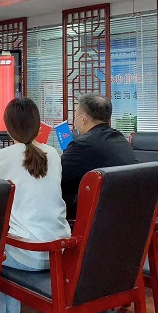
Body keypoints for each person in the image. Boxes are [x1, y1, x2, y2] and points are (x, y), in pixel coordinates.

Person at [0, 97, 70, 313]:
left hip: (29, 254)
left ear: (8, 128)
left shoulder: (4, 157)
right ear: (38, 127)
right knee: (6, 243)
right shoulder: (53, 154)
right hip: (59, 250)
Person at [61, 92, 138, 220]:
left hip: (97, 215)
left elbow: (55, 177)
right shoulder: (120, 139)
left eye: (75, 115)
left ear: (83, 119)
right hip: (124, 212)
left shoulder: (82, 145)